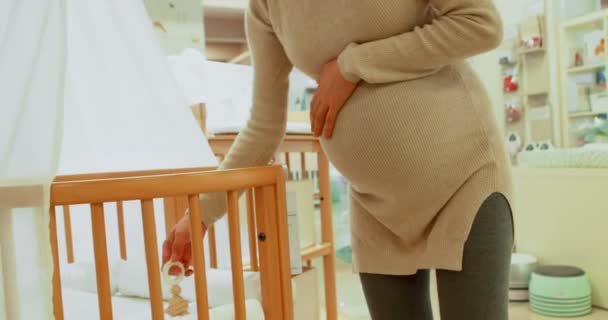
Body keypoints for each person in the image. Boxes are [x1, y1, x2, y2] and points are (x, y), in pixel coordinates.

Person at [163, 0, 513, 318]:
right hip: (377, 208)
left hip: (463, 180)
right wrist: (200, 216)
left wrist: (353, 65)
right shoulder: (266, 8)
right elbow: (263, 128)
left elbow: (480, 23)